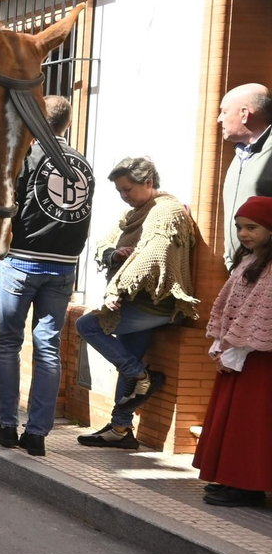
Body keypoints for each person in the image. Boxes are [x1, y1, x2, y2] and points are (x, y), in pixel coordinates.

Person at [0, 96, 95, 457]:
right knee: (47, 348)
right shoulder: (84, 163)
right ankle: (36, 435)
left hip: (22, 261)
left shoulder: (29, 157)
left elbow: (8, 203)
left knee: (9, 344)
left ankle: (6, 426)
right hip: (64, 266)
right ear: (66, 123)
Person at [75, 157, 200, 449]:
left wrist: (116, 288)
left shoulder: (165, 211)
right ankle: (120, 429)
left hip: (157, 305)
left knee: (88, 325)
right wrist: (114, 254)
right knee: (127, 360)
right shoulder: (137, 212)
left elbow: (154, 253)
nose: (124, 195)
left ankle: (142, 375)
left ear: (148, 182)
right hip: (139, 302)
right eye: (120, 190)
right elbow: (106, 241)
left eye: (128, 189)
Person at [193, 196, 272, 506]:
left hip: (259, 357)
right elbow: (230, 306)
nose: (243, 234)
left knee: (252, 421)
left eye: (252, 227)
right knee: (235, 418)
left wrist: (235, 348)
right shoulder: (249, 260)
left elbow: (259, 312)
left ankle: (249, 485)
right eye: (240, 227)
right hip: (240, 352)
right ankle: (234, 478)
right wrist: (222, 344)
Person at [218, 82, 272, 267]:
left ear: (244, 114)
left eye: (224, 112)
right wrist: (231, 260)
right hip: (240, 270)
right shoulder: (241, 154)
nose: (219, 119)